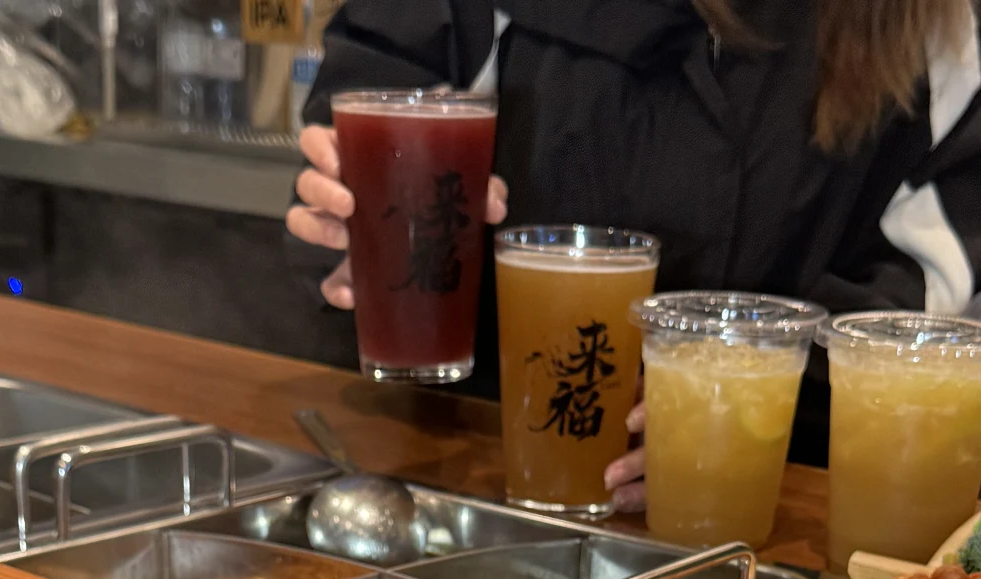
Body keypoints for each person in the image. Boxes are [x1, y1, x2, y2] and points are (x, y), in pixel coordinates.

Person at [287, 0, 981, 509]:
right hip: (463, 471)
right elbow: (376, 111)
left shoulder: (934, 31)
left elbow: (916, 297)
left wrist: (745, 404)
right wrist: (350, 216)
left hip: (761, 499)